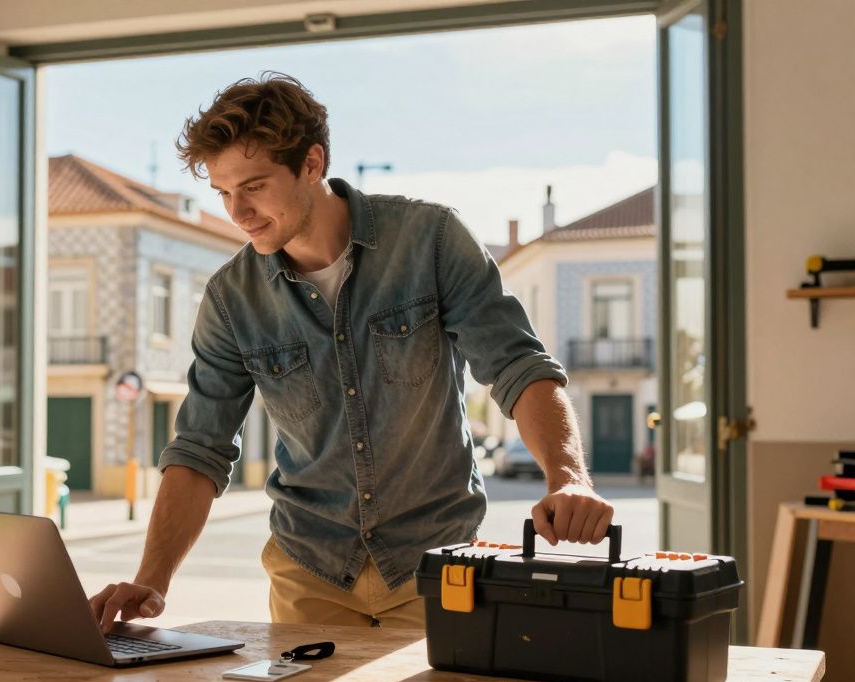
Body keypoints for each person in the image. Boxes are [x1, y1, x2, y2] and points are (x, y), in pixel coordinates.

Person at [89, 72, 612, 632]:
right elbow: (199, 447)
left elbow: (517, 366)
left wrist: (568, 476)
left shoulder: (430, 240)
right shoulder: (229, 298)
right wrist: (152, 579)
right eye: (222, 192)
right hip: (308, 571)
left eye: (255, 186)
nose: (236, 212)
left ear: (312, 163)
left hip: (436, 568)